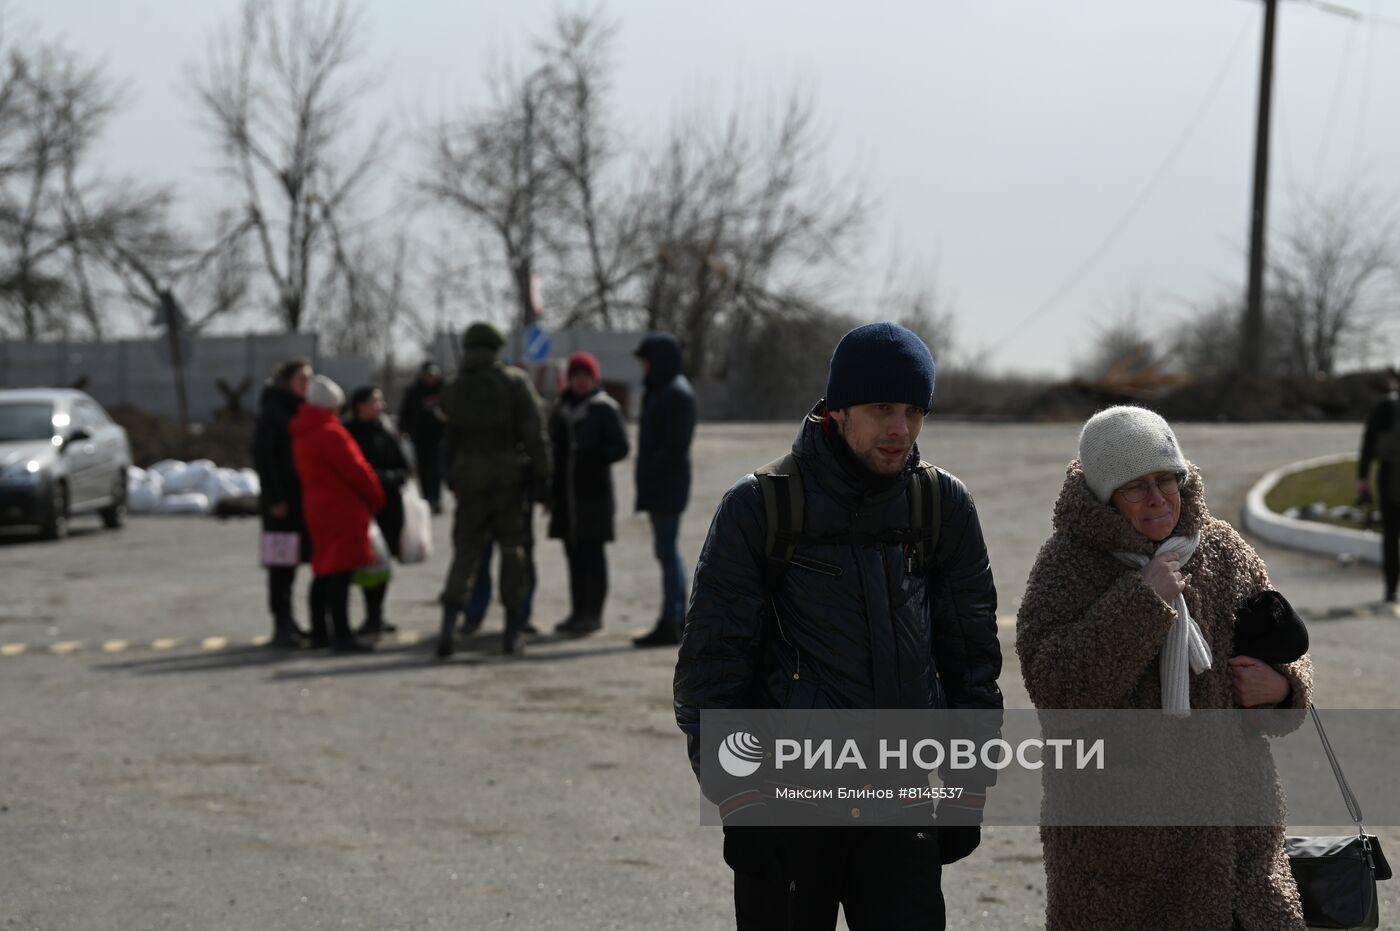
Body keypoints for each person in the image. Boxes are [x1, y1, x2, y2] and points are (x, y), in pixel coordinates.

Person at [674, 322, 1002, 931]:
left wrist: (967, 783)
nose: (900, 428)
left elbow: (972, 661)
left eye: (914, 410)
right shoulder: (760, 507)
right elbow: (712, 670)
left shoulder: (941, 505)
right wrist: (739, 800)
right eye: (883, 408)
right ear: (838, 409)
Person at [1015, 406, 1314, 930]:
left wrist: (1284, 688)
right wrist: (1142, 600)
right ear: (1106, 497)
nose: (1157, 498)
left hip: (1239, 845)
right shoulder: (1067, 566)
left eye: (1165, 479)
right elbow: (1057, 693)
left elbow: (1284, 652)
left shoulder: (1223, 551)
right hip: (1126, 858)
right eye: (1136, 487)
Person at [436, 322, 550, 658]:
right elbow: (534, 431)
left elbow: (449, 437)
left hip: (469, 475)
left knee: (466, 551)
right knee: (513, 550)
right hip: (507, 477)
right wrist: (544, 476)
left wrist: (450, 474)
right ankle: (512, 631)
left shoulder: (455, 386)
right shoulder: (514, 382)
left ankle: (448, 626)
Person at [290, 375, 385, 653]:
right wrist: (376, 497)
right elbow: (357, 469)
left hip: (316, 507)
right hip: (343, 508)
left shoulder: (302, 432)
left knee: (323, 569)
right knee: (341, 571)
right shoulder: (331, 433)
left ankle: (320, 631)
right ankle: (342, 634)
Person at [548, 352, 630, 636]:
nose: (580, 382)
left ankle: (593, 615)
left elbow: (621, 447)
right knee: (573, 557)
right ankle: (577, 612)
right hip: (566, 497)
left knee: (592, 556)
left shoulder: (604, 408)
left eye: (586, 376)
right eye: (576, 376)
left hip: (594, 496)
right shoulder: (560, 408)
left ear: (594, 378)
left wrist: (593, 457)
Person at [631, 332, 698, 648]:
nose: (642, 368)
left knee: (667, 551)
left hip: (667, 485)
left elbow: (674, 446)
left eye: (645, 362)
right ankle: (675, 618)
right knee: (666, 551)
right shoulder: (662, 390)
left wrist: (651, 472)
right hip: (663, 483)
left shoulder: (675, 394)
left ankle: (672, 620)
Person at [252, 358, 314, 648]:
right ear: (288, 380)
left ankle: (291, 621)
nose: (307, 384)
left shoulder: (299, 409)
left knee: (294, 563)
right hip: (281, 502)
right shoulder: (273, 412)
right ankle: (281, 624)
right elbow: (265, 459)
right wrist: (276, 498)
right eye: (302, 378)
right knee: (281, 564)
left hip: (299, 498)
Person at [344, 385, 411, 638]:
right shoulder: (350, 433)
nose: (380, 406)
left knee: (384, 561)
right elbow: (355, 471)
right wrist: (380, 479)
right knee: (367, 562)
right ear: (360, 405)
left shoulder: (386, 430)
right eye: (375, 401)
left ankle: (378, 613)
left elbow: (403, 464)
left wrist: (395, 476)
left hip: (390, 505)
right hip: (364, 506)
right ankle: (370, 615)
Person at [1358, 367, 1400, 604]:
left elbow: (1369, 442)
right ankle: (1392, 587)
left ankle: (1391, 588)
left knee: (1391, 535)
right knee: (1391, 533)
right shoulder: (1386, 408)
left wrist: (1362, 477)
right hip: (1390, 474)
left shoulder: (1386, 407)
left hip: (1389, 475)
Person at [399, 361, 446, 514]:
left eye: (434, 375)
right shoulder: (413, 391)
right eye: (428, 375)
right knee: (424, 470)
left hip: (440, 437)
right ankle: (426, 499)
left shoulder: (444, 390)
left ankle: (436, 499)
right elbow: (405, 412)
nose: (431, 378)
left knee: (437, 470)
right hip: (420, 438)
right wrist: (404, 430)